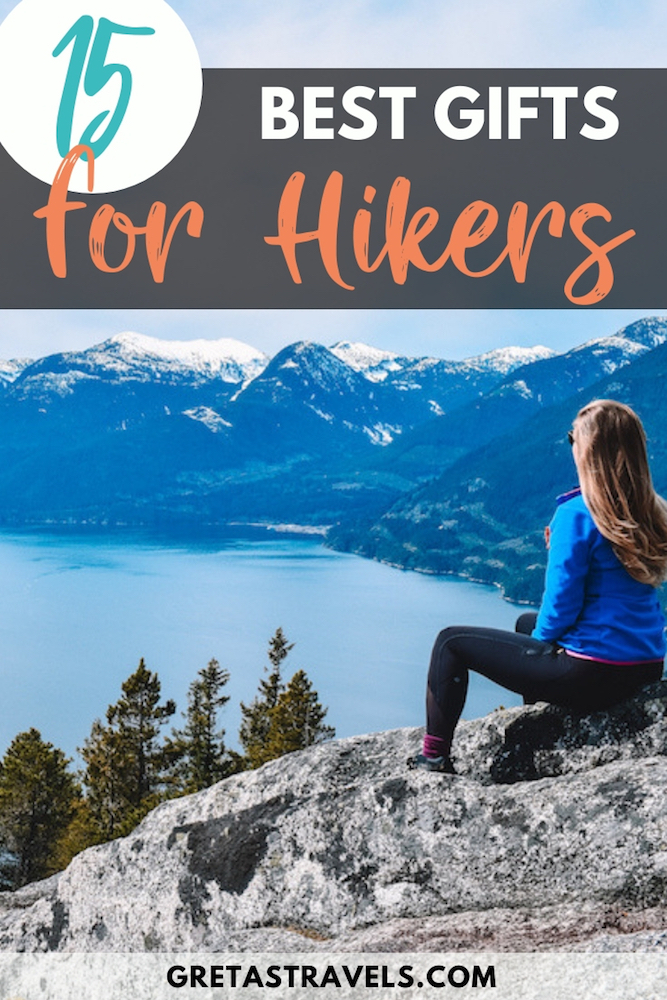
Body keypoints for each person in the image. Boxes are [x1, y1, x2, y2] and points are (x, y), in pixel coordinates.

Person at [408, 399, 667, 774]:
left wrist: (541, 644)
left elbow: (561, 606)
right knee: (525, 624)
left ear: (589, 450)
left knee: (451, 643)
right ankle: (541, 728)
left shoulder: (576, 514)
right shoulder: (651, 509)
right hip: (643, 667)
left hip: (593, 674)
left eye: (573, 439)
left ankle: (432, 757)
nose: (571, 446)